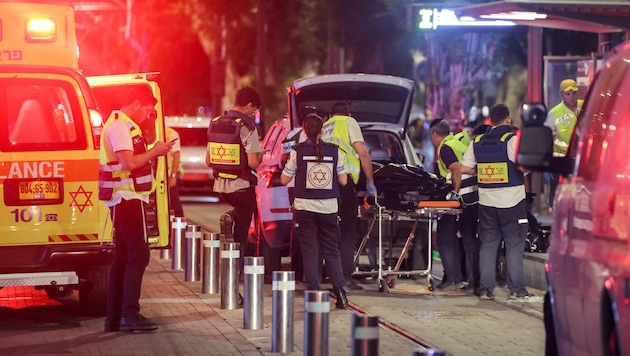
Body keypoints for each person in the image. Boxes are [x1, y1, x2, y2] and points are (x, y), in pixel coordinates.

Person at [100, 86, 175, 332]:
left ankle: (115, 317)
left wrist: (153, 147)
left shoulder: (123, 126)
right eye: (148, 110)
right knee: (138, 255)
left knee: (123, 258)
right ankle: (129, 315)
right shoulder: (120, 127)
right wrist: (156, 151)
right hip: (128, 200)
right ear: (135, 104)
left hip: (125, 201)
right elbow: (129, 162)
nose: (149, 114)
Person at [460, 104, 532, 301]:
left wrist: (483, 170)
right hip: (512, 201)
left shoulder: (478, 141)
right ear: (507, 119)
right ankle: (517, 290)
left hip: (486, 202)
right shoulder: (511, 140)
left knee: (488, 244)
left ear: (490, 119)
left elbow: (465, 168)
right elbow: (523, 166)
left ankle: (485, 289)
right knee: (514, 244)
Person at [280, 113, 348, 309]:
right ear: (322, 131)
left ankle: (314, 293)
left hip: (304, 208)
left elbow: (284, 180)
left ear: (304, 130)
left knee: (310, 250)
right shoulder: (336, 152)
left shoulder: (297, 152)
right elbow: (343, 181)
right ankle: (340, 294)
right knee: (331, 250)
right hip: (328, 208)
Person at [321, 102, 377, 291]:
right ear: (348, 113)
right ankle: (344, 277)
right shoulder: (349, 122)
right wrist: (370, 182)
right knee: (347, 231)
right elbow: (363, 154)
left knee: (328, 229)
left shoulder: (325, 126)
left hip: (323, 182)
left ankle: (327, 273)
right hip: (343, 182)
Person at [206, 86, 262, 262]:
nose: (254, 113)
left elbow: (208, 160)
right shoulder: (247, 127)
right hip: (241, 187)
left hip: (221, 188)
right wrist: (260, 154)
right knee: (241, 237)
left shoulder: (215, 123)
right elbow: (253, 163)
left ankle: (230, 217)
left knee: (239, 214)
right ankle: (235, 276)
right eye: (254, 109)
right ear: (249, 105)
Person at [429, 119, 468, 291]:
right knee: (455, 239)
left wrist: (454, 195)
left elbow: (456, 169)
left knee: (445, 239)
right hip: (470, 197)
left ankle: (453, 278)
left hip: (455, 198)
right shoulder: (457, 143)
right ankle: (457, 277)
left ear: (435, 134)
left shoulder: (445, 148)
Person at [543, 79, 584, 208]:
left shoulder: (586, 106)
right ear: (562, 94)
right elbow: (546, 139)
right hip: (562, 161)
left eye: (574, 93)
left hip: (583, 159)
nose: (571, 97)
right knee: (559, 198)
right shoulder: (554, 114)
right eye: (568, 94)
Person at [166, 126, 184, 217]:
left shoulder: (172, 134)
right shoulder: (156, 132)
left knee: (174, 202)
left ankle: (180, 226)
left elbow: (176, 155)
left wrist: (173, 175)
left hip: (169, 176)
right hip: (159, 176)